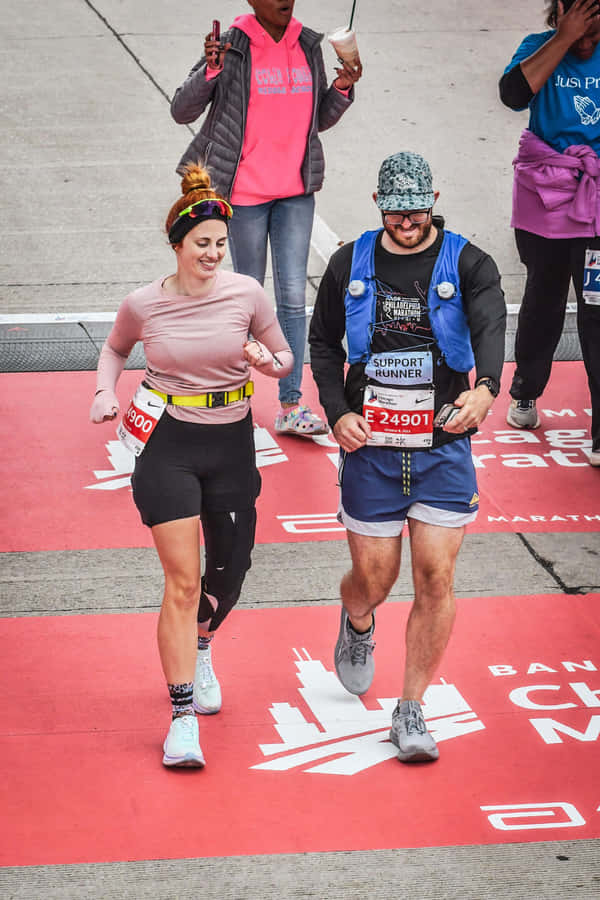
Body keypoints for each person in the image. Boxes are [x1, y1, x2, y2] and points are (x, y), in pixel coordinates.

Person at [89, 163, 293, 768]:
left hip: (232, 441)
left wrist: (266, 360)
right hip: (167, 443)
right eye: (201, 244)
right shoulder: (144, 303)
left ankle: (204, 644)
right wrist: (105, 392)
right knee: (181, 582)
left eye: (220, 245)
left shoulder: (247, 293)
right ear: (177, 245)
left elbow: (284, 357)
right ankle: (181, 718)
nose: (212, 254)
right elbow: (115, 348)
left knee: (228, 574)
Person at [309, 152, 506, 763]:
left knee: (435, 577)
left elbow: (492, 327)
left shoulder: (470, 263)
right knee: (374, 579)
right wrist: (338, 410)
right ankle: (358, 620)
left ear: (434, 199)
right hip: (372, 447)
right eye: (395, 210)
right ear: (378, 205)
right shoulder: (351, 261)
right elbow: (322, 342)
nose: (407, 221)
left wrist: (485, 388)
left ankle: (411, 709)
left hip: (442, 446)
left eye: (417, 209)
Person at [170, 0, 362, 437]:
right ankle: (232, 400)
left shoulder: (308, 43)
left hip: (295, 193)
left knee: (294, 299)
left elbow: (316, 121)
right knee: (244, 298)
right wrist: (210, 72)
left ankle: (291, 404)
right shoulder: (231, 44)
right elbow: (182, 110)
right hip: (245, 195)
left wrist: (343, 89)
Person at [500, 0, 600, 466]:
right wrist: (563, 38)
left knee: (597, 311)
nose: (587, 29)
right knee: (544, 297)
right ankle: (526, 392)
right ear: (559, 9)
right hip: (546, 201)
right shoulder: (538, 47)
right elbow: (513, 94)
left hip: (596, 206)